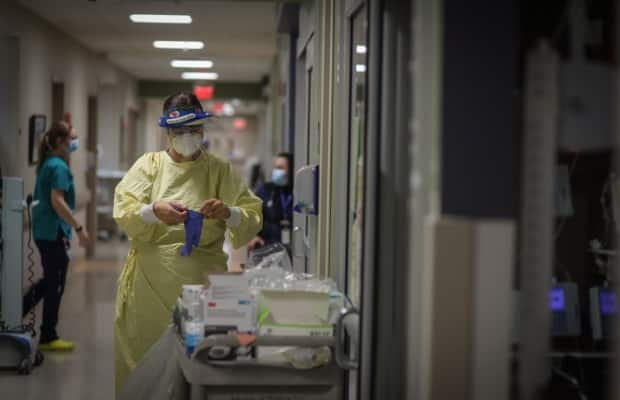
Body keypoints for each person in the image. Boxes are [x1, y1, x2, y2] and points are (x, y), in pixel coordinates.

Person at [113, 92, 262, 393]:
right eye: (180, 131)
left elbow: (251, 215)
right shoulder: (149, 166)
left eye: (194, 130)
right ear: (167, 133)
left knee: (198, 369)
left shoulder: (218, 170)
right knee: (147, 366)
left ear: (203, 131)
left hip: (202, 287)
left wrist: (227, 212)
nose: (188, 137)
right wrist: (154, 211)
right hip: (150, 287)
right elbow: (124, 209)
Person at [22, 118, 90, 352]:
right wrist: (79, 228)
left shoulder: (49, 163)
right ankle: (48, 336)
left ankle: (14, 312)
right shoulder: (58, 167)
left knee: (51, 280)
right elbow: (58, 201)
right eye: (73, 139)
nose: (75, 143)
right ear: (61, 141)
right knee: (55, 283)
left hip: (46, 230)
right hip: (52, 231)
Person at [248, 153, 294, 250]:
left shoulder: (295, 192)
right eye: (276, 168)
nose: (277, 171)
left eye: (281, 168)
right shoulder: (265, 190)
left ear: (290, 171)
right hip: (266, 246)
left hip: (291, 248)